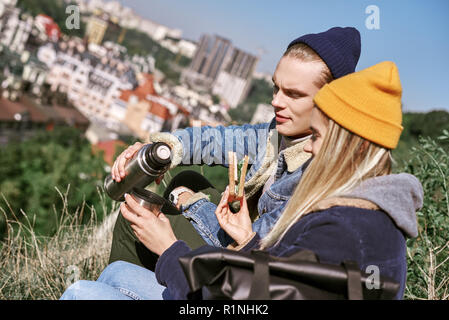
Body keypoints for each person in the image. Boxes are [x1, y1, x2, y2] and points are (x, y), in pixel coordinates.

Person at [61, 61, 423, 300]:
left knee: (81, 292)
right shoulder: (356, 210)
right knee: (116, 272)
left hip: (213, 291)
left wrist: (170, 247)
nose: (308, 150)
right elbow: (278, 283)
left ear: (348, 147)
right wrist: (249, 240)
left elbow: (240, 298)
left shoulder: (342, 228)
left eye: (316, 136)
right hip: (226, 277)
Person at [108, 27, 362, 269]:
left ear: (331, 102)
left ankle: (126, 286)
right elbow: (218, 140)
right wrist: (160, 150)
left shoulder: (322, 172)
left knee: (134, 215)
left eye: (293, 94)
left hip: (248, 269)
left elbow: (259, 243)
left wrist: (191, 202)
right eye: (275, 87)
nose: (276, 101)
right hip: (244, 243)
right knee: (187, 178)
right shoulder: (279, 133)